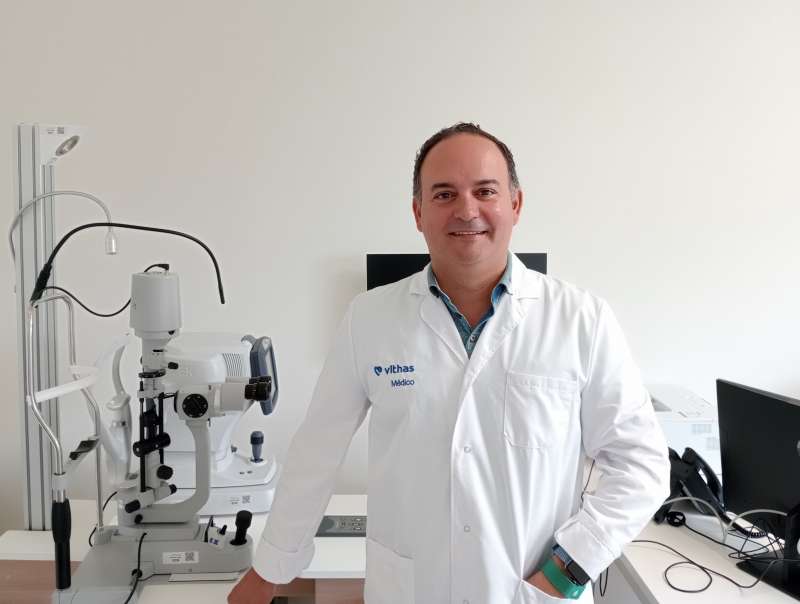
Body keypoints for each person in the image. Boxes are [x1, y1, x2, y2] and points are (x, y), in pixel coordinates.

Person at [229, 123, 670, 603]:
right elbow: (316, 453)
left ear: (516, 204)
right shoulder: (369, 319)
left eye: (485, 191)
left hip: (530, 592)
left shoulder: (582, 320)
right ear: (418, 213)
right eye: (444, 194)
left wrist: (565, 571)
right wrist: (269, 570)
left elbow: (642, 467)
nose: (466, 209)